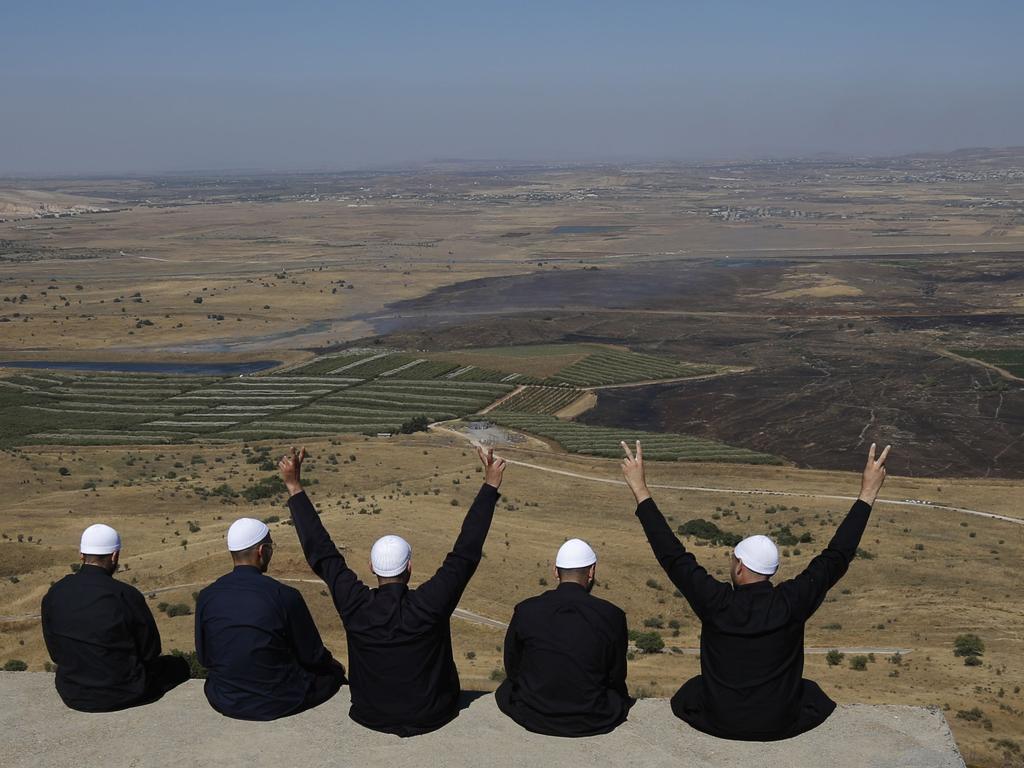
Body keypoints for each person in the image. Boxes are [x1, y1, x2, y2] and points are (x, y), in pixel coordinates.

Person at [620, 439, 891, 741]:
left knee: (692, 690)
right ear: (771, 572)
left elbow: (672, 555)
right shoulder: (792, 602)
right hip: (779, 724)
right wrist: (868, 493)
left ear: (739, 567)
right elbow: (837, 555)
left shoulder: (716, 602)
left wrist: (640, 489)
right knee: (810, 691)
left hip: (720, 721)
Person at [280, 444, 504, 736]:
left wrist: (294, 486)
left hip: (368, 713)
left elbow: (321, 553)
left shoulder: (355, 604)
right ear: (409, 568)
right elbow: (466, 553)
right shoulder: (429, 604)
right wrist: (490, 485)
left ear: (373, 569)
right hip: (434, 713)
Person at [195, 517, 346, 720]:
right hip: (278, 700)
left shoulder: (207, 595)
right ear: (262, 551)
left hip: (225, 698)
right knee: (332, 676)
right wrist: (335, 667)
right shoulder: (285, 595)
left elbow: (205, 657)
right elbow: (313, 656)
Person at [41, 524, 190, 711]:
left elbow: (55, 651)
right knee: (178, 666)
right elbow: (150, 651)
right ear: (114, 556)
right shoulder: (126, 594)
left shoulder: (55, 593)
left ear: (81, 555)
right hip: (125, 691)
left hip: (73, 692)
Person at [495, 537, 632, 736]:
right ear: (592, 571)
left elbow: (512, 666)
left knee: (507, 689)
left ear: (555, 572)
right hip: (593, 717)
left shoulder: (526, 610)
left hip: (534, 714)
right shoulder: (612, 615)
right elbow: (616, 675)